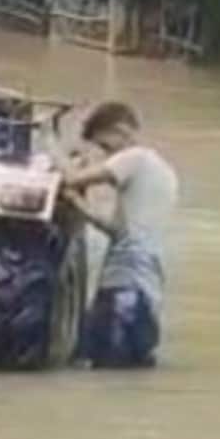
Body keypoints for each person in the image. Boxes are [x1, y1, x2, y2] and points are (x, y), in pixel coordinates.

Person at [62, 101, 180, 369]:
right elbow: (118, 232)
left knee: (97, 363)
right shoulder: (163, 172)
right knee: (125, 368)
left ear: (121, 131)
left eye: (105, 146)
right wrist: (80, 207)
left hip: (124, 282)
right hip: (147, 285)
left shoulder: (135, 157)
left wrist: (65, 159)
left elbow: (70, 180)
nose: (105, 155)